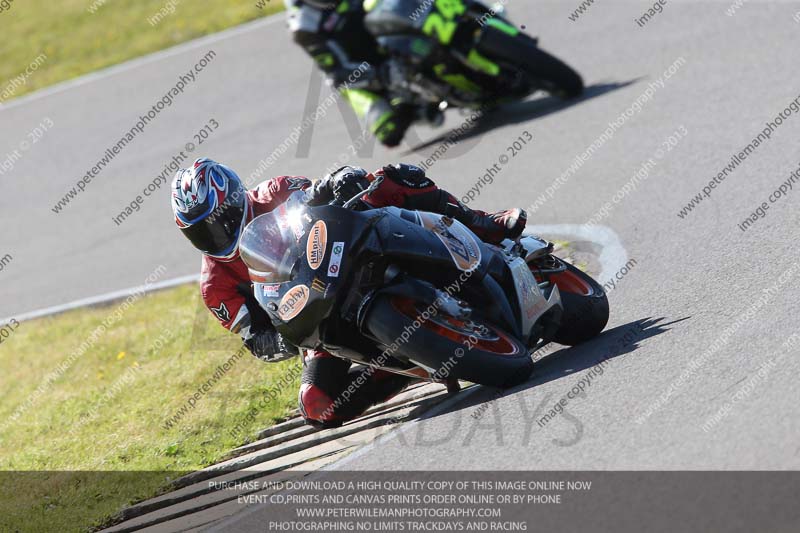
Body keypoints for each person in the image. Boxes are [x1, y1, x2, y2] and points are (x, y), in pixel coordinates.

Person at [171, 158, 526, 427]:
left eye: (218, 221)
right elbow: (256, 339)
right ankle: (404, 361)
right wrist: (284, 338)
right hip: (319, 319)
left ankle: (482, 224)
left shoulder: (274, 191)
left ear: (236, 199)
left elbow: (319, 197)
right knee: (316, 404)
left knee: (388, 180)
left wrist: (336, 180)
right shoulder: (215, 285)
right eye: (200, 231)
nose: (214, 234)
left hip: (346, 256)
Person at [283, 0, 441, 147]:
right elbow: (338, 71)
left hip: (393, 36)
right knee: (389, 131)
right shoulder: (304, 25)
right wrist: (381, 74)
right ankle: (410, 104)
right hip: (363, 70)